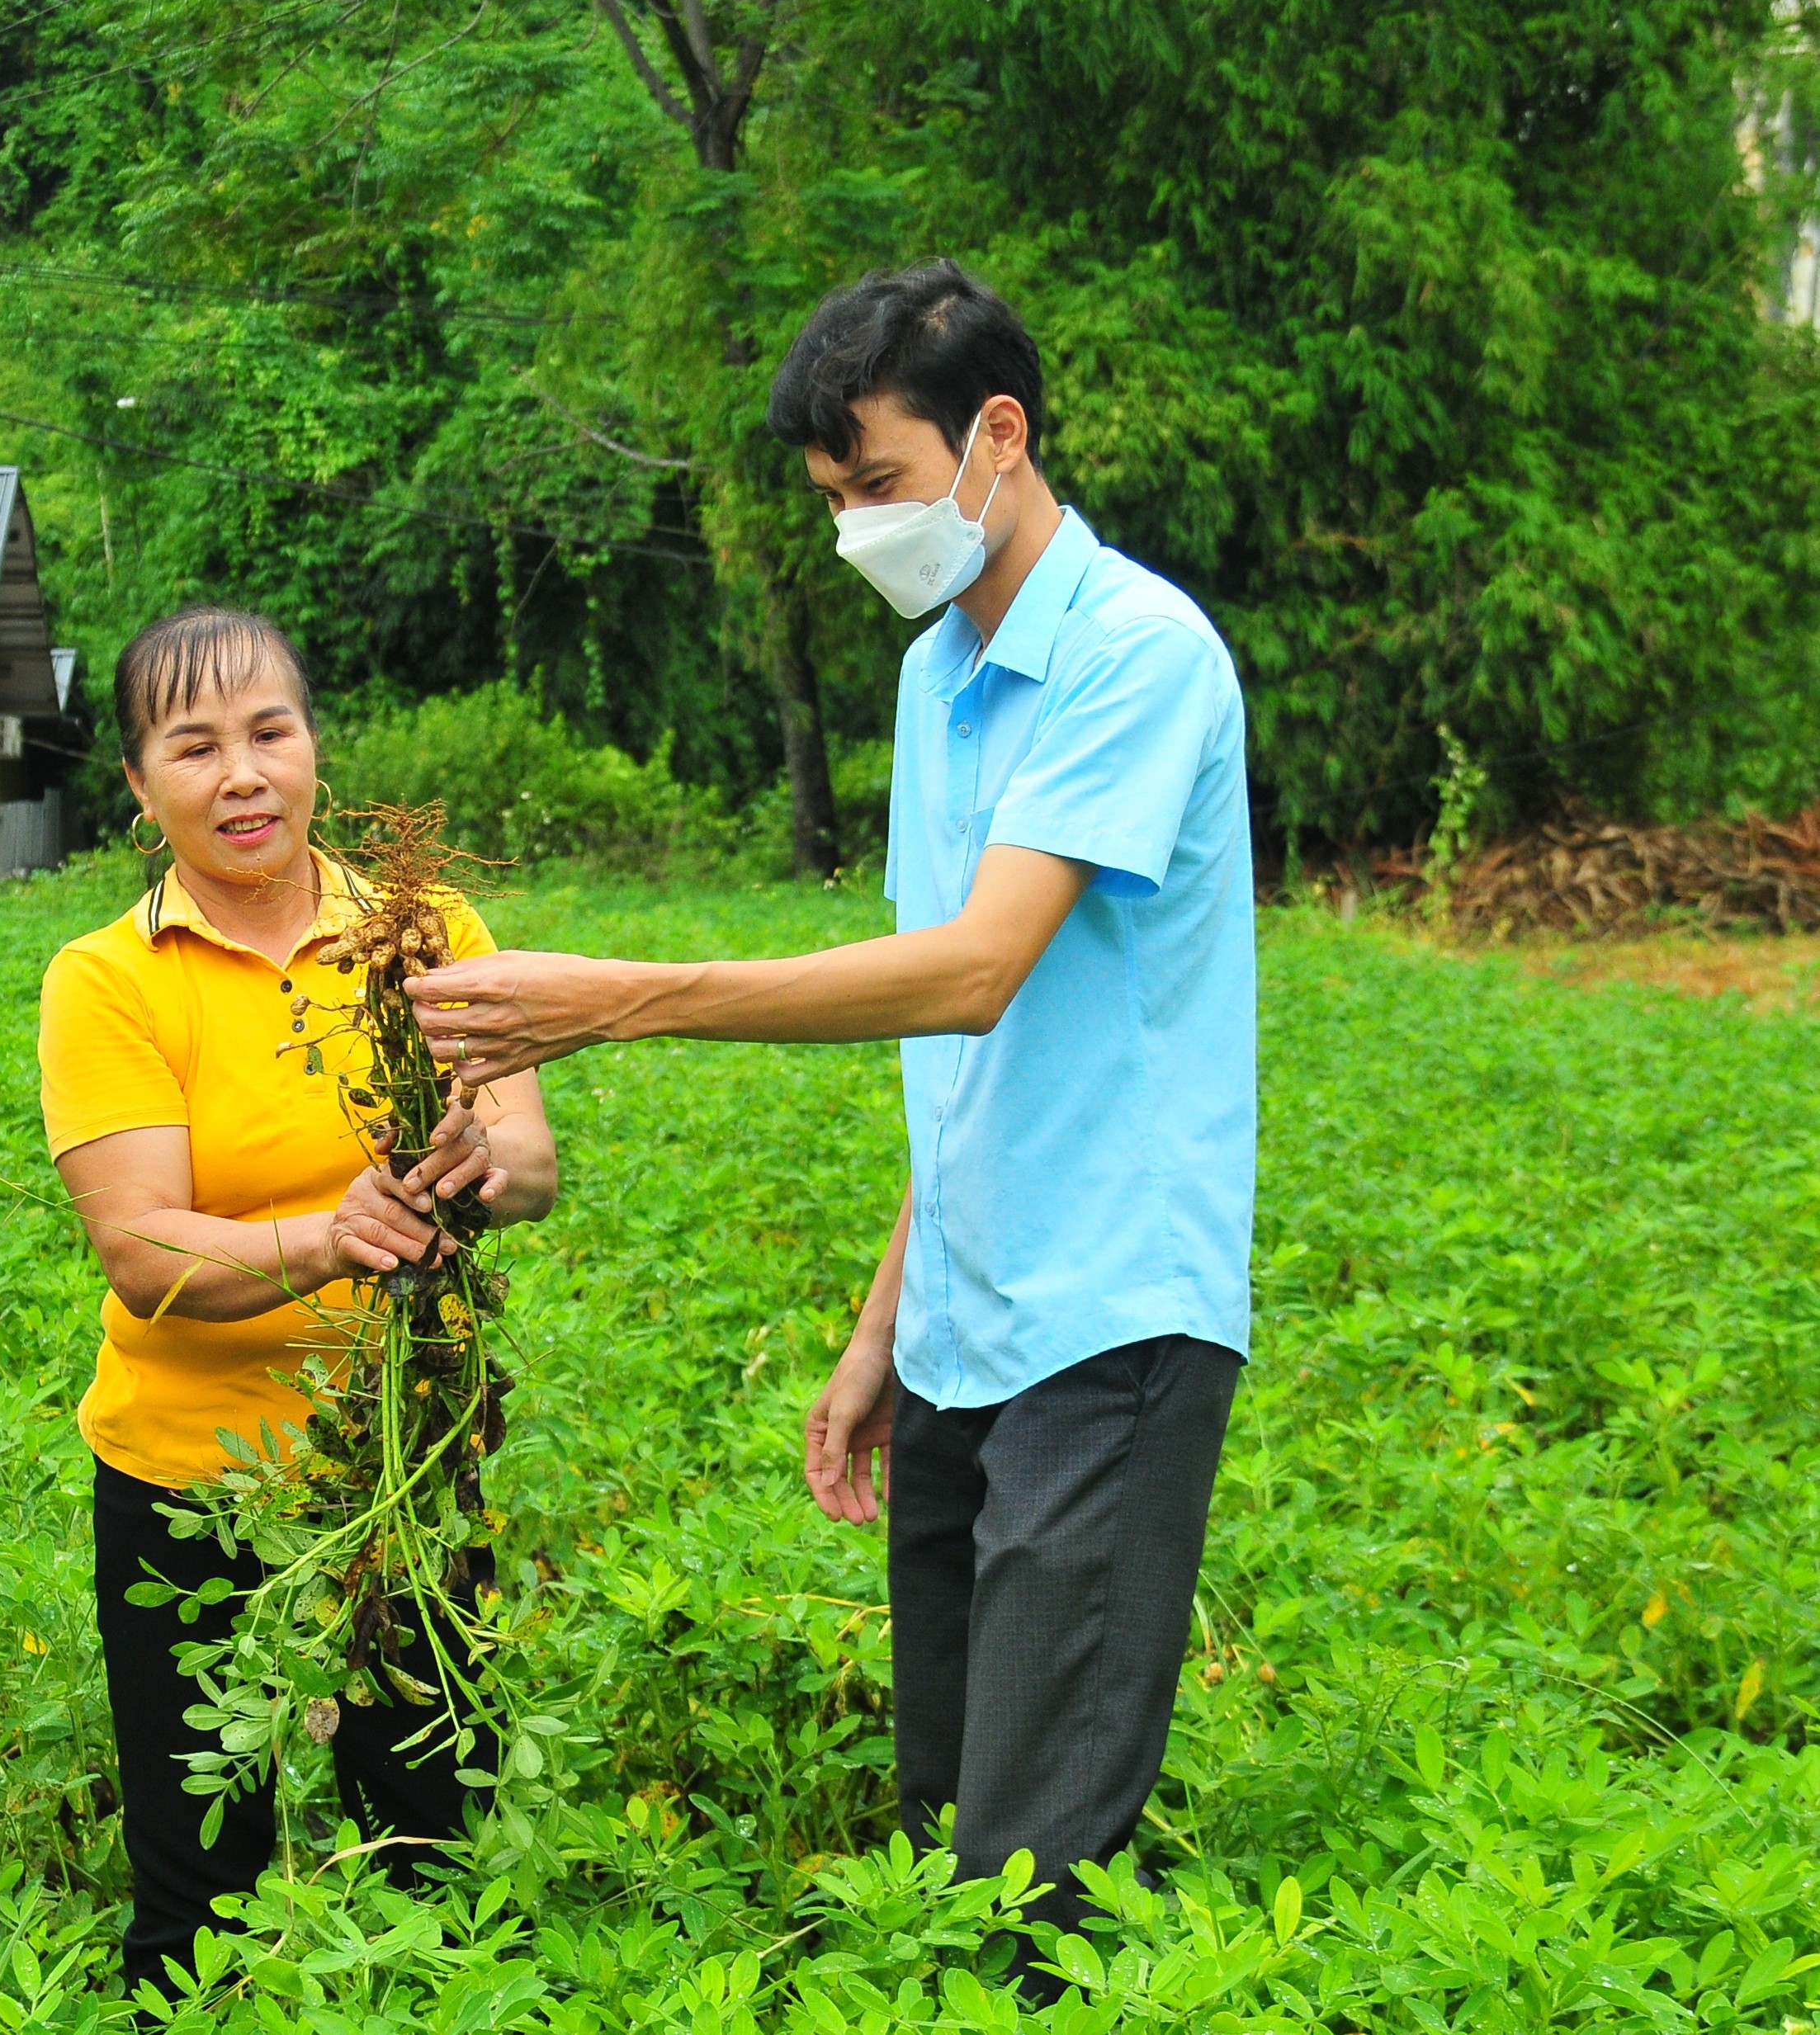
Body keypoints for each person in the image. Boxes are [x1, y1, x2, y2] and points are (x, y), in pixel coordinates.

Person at [404, 262, 1255, 1963]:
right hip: (967, 1321)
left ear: (995, 434)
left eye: (875, 484)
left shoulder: (1138, 657)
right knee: (942, 1822)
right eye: (835, 498)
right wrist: (888, 1324)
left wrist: (622, 998)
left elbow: (970, 971)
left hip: (1112, 1319)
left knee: (1036, 1878)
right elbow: (971, 1064)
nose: (858, 526)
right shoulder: (941, 672)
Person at [38, 607, 560, 2000]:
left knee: (428, 1840)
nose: (243, 774)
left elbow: (528, 1159)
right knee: (201, 1880)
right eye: (193, 745)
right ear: (141, 790)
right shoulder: (106, 978)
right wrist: (329, 1237)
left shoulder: (421, 929)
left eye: (270, 731)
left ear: (315, 746)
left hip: (409, 1465)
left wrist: (475, 1168)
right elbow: (145, 1251)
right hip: (196, 1482)